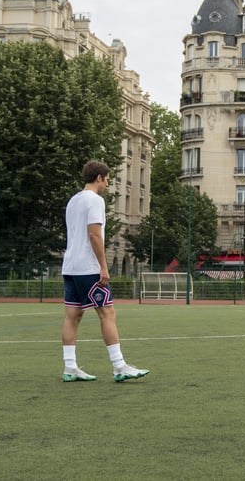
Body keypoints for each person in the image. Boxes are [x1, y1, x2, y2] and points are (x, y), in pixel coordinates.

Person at [61, 160, 148, 383]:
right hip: (88, 268)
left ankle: (70, 368)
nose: (108, 183)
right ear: (99, 178)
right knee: (107, 313)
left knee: (73, 316)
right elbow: (94, 235)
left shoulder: (73, 201)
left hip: (70, 266)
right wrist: (103, 266)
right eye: (107, 179)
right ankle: (119, 366)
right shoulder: (95, 200)